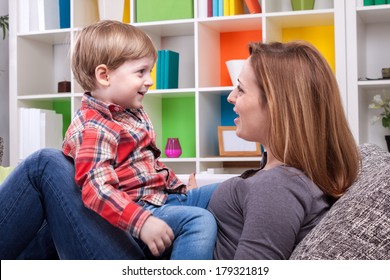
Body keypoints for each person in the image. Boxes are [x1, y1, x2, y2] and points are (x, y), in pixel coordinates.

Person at [0, 20, 218, 260]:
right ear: (104, 75)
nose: (150, 80)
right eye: (141, 72)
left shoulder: (131, 113)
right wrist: (141, 222)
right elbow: (97, 188)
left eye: (150, 71)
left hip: (159, 199)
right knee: (199, 221)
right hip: (136, 213)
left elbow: (148, 167)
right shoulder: (93, 127)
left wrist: (181, 188)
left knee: (227, 191)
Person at [207, 41, 360, 259]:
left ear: (277, 107)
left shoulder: (276, 187)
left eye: (240, 88)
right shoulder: (282, 176)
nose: (231, 96)